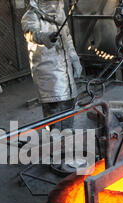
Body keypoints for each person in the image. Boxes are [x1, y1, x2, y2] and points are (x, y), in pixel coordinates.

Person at [21, 0, 82, 131]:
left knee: (69, 105)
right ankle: (56, 145)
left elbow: (67, 37)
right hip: (48, 73)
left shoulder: (60, 14)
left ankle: (67, 140)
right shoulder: (31, 16)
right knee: (53, 111)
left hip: (65, 73)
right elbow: (30, 32)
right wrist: (45, 37)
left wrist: (74, 58)